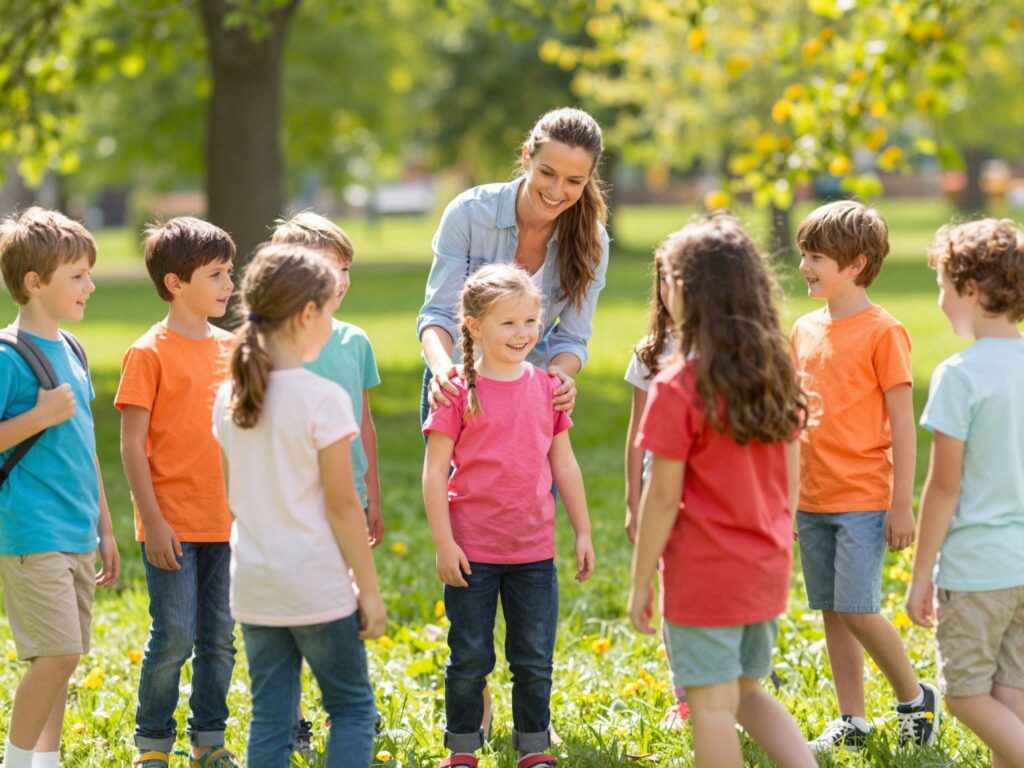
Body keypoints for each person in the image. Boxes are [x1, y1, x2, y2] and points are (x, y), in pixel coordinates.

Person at [627, 215, 814, 768]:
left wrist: (641, 582)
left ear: (687, 291)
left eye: (669, 279)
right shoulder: (777, 375)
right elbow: (792, 477)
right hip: (765, 564)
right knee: (745, 693)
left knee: (709, 708)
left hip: (705, 573)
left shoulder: (679, 385)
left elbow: (661, 498)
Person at [213, 244, 386, 768]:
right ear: (308, 313)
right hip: (316, 586)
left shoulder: (229, 397)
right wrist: (370, 591)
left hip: (255, 587)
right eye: (329, 314)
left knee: (270, 718)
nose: (332, 327)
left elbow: (233, 498)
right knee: (353, 709)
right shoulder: (322, 399)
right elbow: (341, 507)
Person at [422, 264, 594, 768]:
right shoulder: (457, 390)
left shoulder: (547, 388)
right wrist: (443, 542)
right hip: (471, 551)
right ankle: (462, 749)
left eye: (529, 321)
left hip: (534, 552)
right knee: (470, 658)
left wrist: (582, 531)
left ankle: (533, 748)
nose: (522, 334)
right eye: (508, 323)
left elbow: (564, 462)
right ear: (473, 327)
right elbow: (434, 473)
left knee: (534, 658)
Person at [790, 200, 939, 752]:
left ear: (855, 264)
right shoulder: (803, 328)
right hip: (812, 496)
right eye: (804, 254)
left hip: (863, 497)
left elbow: (904, 424)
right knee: (831, 608)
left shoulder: (884, 331)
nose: (805, 265)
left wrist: (902, 505)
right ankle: (851, 719)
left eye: (817, 257)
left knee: (857, 607)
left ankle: (913, 696)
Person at [116, 217, 239, 768]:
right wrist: (153, 521)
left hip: (229, 525)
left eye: (229, 273)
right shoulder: (148, 352)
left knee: (220, 639)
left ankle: (208, 740)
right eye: (216, 275)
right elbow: (131, 447)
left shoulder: (234, 348)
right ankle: (153, 744)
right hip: (172, 526)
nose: (228, 284)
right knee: (174, 637)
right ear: (175, 283)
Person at [0, 207, 120, 768]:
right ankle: (18, 761)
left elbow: (85, 444)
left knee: (64, 659)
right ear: (34, 283)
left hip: (77, 529)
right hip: (30, 529)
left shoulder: (72, 349)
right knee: (58, 652)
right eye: (77, 276)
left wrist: (106, 525)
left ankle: (45, 762)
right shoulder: (6, 357)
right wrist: (39, 415)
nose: (90, 286)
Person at [905, 219, 1024, 767]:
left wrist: (920, 573)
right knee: (1010, 697)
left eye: (943, 286)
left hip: (978, 570)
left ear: (970, 291)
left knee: (966, 696)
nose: (939, 299)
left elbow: (943, 487)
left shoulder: (959, 375)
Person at [271, 211, 384, 752]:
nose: (339, 279)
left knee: (348, 601)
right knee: (291, 611)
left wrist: (373, 496)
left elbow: (364, 422)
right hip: (292, 503)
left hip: (348, 496)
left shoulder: (355, 341)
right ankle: (290, 717)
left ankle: (349, 708)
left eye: (345, 268)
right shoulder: (269, 351)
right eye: (326, 267)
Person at [418, 107, 609, 423]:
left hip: (527, 391)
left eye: (574, 181)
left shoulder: (593, 242)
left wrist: (558, 377)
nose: (556, 191)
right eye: (547, 173)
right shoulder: (469, 214)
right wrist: (442, 371)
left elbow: (572, 338)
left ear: (589, 178)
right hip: (457, 388)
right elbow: (437, 313)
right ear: (526, 158)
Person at [622, 256, 687, 727]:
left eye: (679, 280)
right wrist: (632, 499)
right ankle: (684, 693)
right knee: (671, 592)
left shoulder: (733, 353)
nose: (670, 289)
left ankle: (735, 688)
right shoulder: (650, 352)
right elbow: (636, 435)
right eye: (662, 280)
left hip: (703, 494)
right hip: (656, 487)